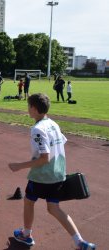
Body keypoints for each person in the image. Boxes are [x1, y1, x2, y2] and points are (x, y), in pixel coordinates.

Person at [8, 93, 96, 250]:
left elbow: (44, 158)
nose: (28, 109)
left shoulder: (37, 129)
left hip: (43, 175)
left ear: (34, 108)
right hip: (58, 173)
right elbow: (63, 141)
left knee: (29, 201)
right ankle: (79, 241)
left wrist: (19, 166)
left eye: (29, 106)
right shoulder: (53, 124)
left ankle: (26, 235)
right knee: (53, 207)